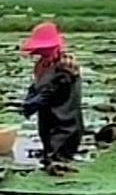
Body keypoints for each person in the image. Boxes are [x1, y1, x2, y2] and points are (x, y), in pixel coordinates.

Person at [20, 21, 83, 164]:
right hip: (47, 119)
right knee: (48, 147)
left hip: (65, 122)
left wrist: (35, 101)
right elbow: (37, 86)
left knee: (60, 156)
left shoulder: (66, 66)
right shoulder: (42, 64)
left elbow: (52, 90)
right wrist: (31, 98)